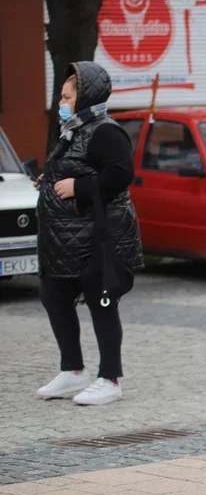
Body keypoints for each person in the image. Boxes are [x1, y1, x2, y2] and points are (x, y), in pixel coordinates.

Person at [34, 62, 143, 406]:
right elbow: (69, 169)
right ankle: (73, 370)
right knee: (53, 296)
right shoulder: (72, 129)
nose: (62, 102)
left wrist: (79, 186)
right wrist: (48, 183)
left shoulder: (104, 132)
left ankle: (110, 378)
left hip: (102, 234)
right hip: (67, 239)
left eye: (67, 96)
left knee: (102, 303)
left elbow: (121, 174)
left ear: (86, 97)